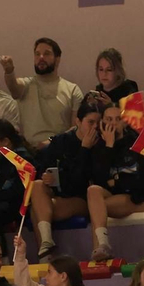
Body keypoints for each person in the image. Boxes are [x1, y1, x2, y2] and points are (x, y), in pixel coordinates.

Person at [29, 99, 108, 258]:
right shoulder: (62, 141)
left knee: (36, 211)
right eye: (90, 122)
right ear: (78, 122)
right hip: (58, 193)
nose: (95, 127)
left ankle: (45, 255)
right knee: (37, 185)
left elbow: (80, 181)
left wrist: (85, 149)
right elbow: (45, 166)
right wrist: (46, 176)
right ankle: (46, 242)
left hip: (81, 198)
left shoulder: (101, 144)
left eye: (98, 123)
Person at [85, 100, 144, 262]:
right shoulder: (99, 147)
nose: (113, 124)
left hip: (136, 199)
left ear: (124, 122)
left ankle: (99, 248)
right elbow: (99, 180)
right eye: (108, 119)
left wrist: (115, 182)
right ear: (102, 122)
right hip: (114, 198)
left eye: (117, 119)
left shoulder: (137, 143)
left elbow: (142, 181)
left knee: (96, 209)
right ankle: (103, 244)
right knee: (92, 191)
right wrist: (109, 146)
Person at [0, 37, 83, 147]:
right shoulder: (26, 85)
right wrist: (9, 71)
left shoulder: (72, 90)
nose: (41, 57)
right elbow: (13, 88)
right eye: (37, 54)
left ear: (57, 59)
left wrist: (51, 142)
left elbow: (76, 128)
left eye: (46, 54)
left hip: (59, 148)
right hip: (30, 150)